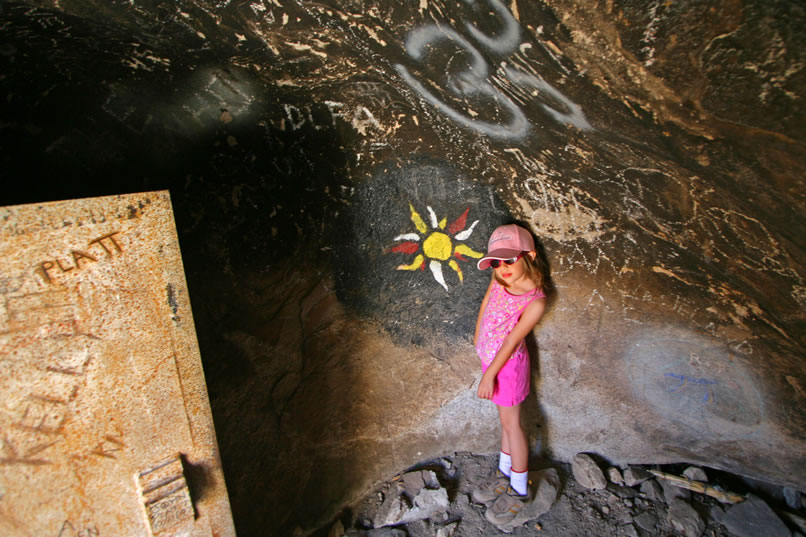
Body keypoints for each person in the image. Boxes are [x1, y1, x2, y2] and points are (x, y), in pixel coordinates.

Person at [471, 223, 548, 526]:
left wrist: (490, 375)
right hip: (490, 360)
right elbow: (486, 305)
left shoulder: (535, 301)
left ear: (529, 255)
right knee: (505, 422)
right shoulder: (499, 282)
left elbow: (513, 339)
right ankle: (504, 473)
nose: (502, 268)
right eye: (497, 262)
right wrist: (478, 337)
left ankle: (519, 489)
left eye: (509, 260)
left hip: (507, 367)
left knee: (513, 425)